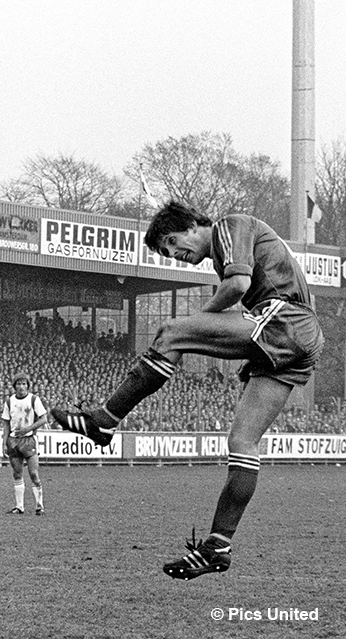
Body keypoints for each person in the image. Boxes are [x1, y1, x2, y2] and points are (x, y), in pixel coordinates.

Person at [50, 201, 324, 580]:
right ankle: (218, 545)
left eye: (173, 243)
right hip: (299, 338)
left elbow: (239, 284)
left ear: (195, 224)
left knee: (171, 332)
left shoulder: (230, 224)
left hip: (285, 321)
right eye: (167, 253)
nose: (176, 255)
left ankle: (104, 420)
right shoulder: (224, 251)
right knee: (242, 443)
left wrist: (197, 322)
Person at [0, 372, 47, 516]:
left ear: (28, 385)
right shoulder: (9, 401)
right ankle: (19, 507)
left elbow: (43, 419)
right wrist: (4, 443)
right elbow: (6, 424)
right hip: (13, 441)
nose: (21, 387)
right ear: (14, 386)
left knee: (33, 473)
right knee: (17, 474)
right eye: (18, 384)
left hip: (28, 440)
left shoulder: (34, 399)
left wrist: (28, 429)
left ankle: (40, 506)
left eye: (24, 384)